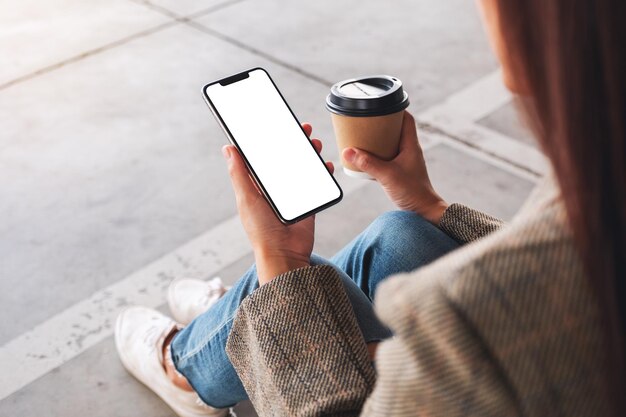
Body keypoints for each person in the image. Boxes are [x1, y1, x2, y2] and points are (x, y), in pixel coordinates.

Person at [114, 0, 625, 415]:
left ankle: (189, 366)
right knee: (404, 232)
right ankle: (239, 325)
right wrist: (428, 203)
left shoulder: (473, 333)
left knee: (298, 277)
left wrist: (277, 258)